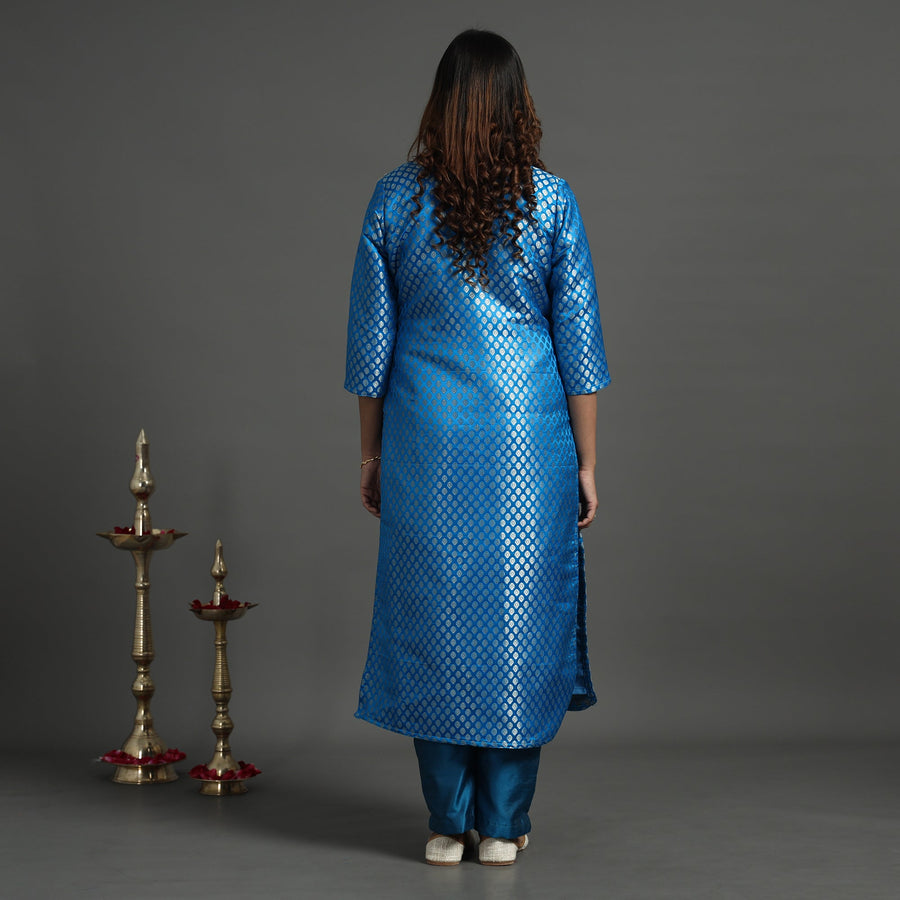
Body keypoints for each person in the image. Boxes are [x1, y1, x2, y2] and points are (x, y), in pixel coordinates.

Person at [344, 29, 610, 867]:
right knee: (519, 623)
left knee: (437, 621)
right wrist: (588, 464)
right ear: (516, 106)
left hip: (426, 443)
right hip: (529, 446)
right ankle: (502, 825)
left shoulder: (393, 200)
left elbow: (371, 354)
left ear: (441, 103)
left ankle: (444, 824)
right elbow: (580, 351)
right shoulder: (552, 202)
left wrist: (371, 457)